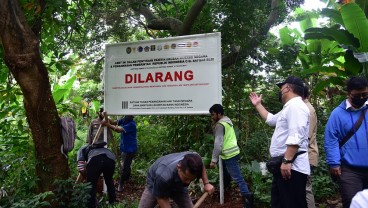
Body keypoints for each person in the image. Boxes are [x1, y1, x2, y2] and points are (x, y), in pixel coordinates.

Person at [249, 75, 310, 208]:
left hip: (291, 167)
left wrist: (287, 161)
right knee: (280, 203)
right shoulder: (289, 108)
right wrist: (258, 105)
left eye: (281, 87)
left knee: (292, 204)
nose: (280, 91)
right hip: (284, 166)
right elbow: (271, 120)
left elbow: (296, 136)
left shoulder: (296, 107)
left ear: (287, 88)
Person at [324, 76, 368, 208]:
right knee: (352, 203)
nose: (361, 97)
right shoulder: (337, 114)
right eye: (357, 95)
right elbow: (331, 139)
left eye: (365, 94)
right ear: (349, 93)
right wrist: (334, 163)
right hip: (350, 170)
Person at [208, 104, 253, 208]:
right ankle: (224, 193)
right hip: (231, 153)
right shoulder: (228, 121)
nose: (212, 117)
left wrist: (213, 160)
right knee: (225, 176)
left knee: (238, 178)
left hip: (229, 155)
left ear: (219, 113)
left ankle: (248, 202)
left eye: (213, 114)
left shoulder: (220, 125)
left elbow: (218, 143)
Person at [138, 151, 215, 208]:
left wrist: (206, 183)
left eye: (191, 179)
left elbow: (201, 164)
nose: (188, 182)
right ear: (179, 167)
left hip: (178, 184)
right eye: (186, 178)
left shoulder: (195, 161)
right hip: (155, 180)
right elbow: (161, 198)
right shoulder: (163, 176)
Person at [103, 115, 137, 192]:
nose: (126, 116)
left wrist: (107, 124)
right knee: (126, 164)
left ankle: (121, 183)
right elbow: (114, 122)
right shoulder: (125, 120)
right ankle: (127, 177)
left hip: (130, 149)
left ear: (131, 116)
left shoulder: (131, 124)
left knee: (125, 166)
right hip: (124, 147)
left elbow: (118, 129)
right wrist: (105, 117)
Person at [77, 143, 116, 208]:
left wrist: (87, 177)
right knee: (109, 181)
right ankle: (112, 203)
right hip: (110, 158)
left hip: (95, 159)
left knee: (91, 184)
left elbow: (81, 167)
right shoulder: (99, 148)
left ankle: (92, 205)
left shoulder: (80, 150)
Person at [303, 85, 319, 208]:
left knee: (306, 188)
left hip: (307, 155)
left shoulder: (306, 109)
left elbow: (306, 137)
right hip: (306, 154)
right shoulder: (303, 107)